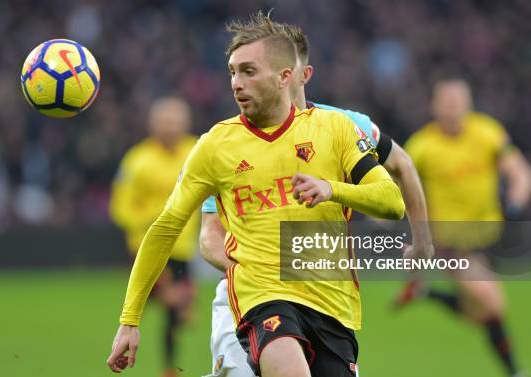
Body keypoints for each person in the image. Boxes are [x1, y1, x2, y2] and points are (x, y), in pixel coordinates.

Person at [107, 11, 406, 377]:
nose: (236, 83)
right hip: (262, 298)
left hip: (333, 304)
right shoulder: (215, 145)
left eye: (248, 71)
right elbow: (166, 227)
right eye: (232, 71)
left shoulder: (334, 129)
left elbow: (392, 201)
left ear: (284, 78)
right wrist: (130, 320)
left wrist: (332, 189)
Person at [199, 15, 433, 377]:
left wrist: (422, 242)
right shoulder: (231, 144)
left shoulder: (345, 125)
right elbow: (210, 234)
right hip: (250, 299)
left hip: (323, 298)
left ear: (299, 75)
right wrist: (256, 271)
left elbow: (402, 167)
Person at [394, 78, 531, 377]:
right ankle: (515, 371)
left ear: (469, 104)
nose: (453, 108)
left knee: (477, 313)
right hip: (451, 244)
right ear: (434, 106)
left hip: (492, 239)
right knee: (492, 305)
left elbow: (520, 172)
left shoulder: (487, 132)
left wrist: (515, 201)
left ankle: (424, 294)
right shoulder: (422, 146)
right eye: (446, 102)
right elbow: (396, 185)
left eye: (458, 101)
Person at [109, 96, 200, 377]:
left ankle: (167, 366)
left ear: (186, 123)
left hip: (183, 247)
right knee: (165, 305)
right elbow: (119, 206)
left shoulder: (197, 150)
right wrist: (147, 222)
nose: (170, 127)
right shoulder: (137, 160)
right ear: (152, 124)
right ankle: (138, 352)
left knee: (176, 316)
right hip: (146, 247)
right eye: (165, 121)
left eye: (175, 121)